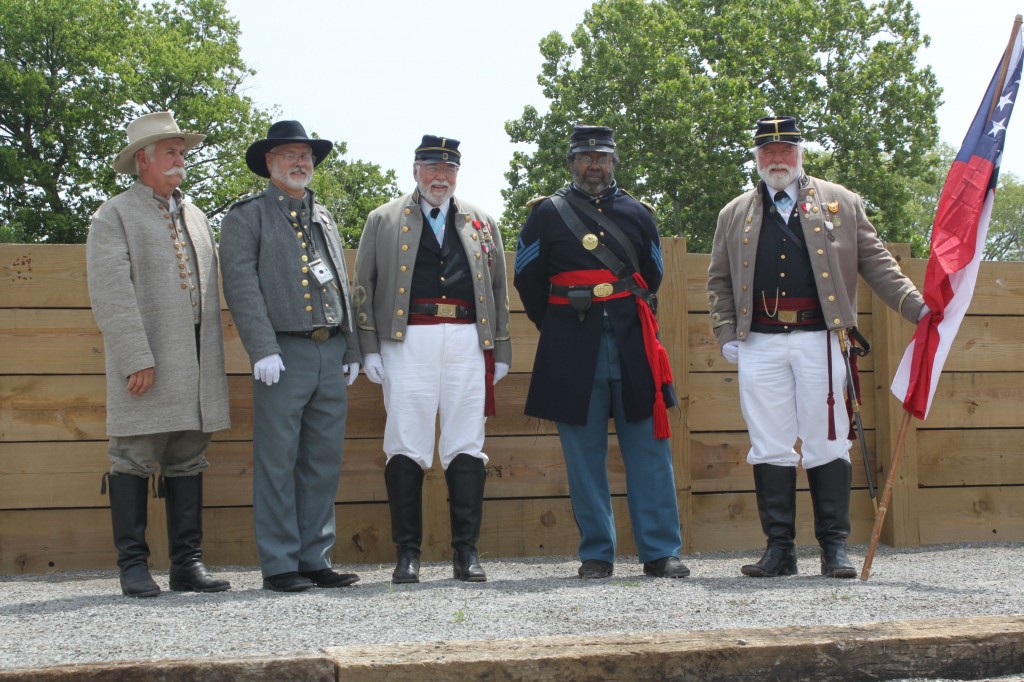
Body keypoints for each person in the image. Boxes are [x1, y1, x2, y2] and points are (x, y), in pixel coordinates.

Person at [707, 116, 927, 579]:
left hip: (821, 339)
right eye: (768, 152)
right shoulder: (734, 213)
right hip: (760, 343)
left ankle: (834, 548)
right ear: (757, 157)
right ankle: (779, 550)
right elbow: (719, 282)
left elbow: (879, 264)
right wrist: (727, 335)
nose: (777, 159)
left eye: (785, 150)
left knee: (828, 441)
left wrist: (918, 309)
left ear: (800, 153)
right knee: (768, 445)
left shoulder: (841, 203)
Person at [513, 125, 688, 580]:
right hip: (570, 345)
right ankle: (597, 553)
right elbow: (527, 279)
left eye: (602, 157)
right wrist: (553, 327)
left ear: (614, 162)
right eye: (585, 157)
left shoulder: (638, 213)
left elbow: (653, 274)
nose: (594, 165)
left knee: (650, 450)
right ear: (570, 162)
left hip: (632, 342)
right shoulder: (545, 215)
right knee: (582, 455)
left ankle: (660, 551)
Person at [87, 111, 232, 597]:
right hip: (149, 359)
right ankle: (132, 566)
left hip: (196, 361)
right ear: (142, 159)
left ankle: (186, 565)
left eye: (182, 151)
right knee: (132, 454)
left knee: (188, 456)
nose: (180, 159)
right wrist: (134, 357)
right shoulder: (114, 214)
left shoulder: (194, 214)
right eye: (170, 151)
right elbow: (110, 293)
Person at [354, 135, 510, 584]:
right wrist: (368, 346)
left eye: (448, 170)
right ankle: (407, 555)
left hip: (467, 341)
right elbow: (363, 284)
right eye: (431, 168)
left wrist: (500, 348)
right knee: (405, 441)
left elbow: (499, 291)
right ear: (415, 170)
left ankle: (467, 554)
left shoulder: (482, 221)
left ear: (457, 174)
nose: (440, 177)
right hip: (408, 342)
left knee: (466, 442)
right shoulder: (382, 219)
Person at [220, 120, 362, 592]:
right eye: (289, 155)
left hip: (330, 349)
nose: (300, 163)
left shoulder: (323, 216)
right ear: (269, 163)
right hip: (283, 353)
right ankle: (280, 563)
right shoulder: (247, 216)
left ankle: (314, 556)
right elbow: (241, 286)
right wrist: (261, 347)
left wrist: (353, 346)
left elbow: (343, 283)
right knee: (278, 461)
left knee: (323, 461)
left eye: (306, 156)